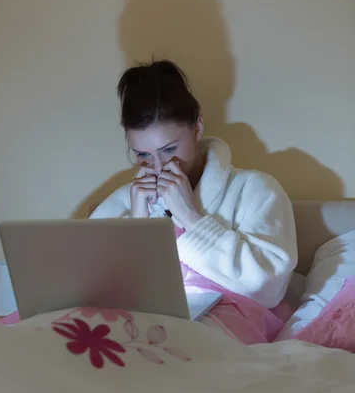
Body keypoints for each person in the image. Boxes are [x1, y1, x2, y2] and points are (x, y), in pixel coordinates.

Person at [91, 59, 298, 319]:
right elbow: (93, 294)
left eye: (169, 150)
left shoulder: (257, 191)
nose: (158, 167)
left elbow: (268, 289)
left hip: (226, 329)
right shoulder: (123, 202)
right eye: (143, 155)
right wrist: (138, 225)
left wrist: (191, 217)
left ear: (198, 127)